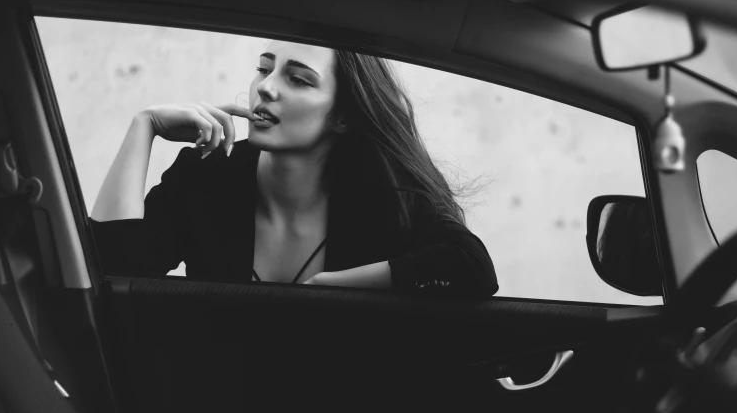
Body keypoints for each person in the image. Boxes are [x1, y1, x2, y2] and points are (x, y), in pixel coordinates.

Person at [90, 40, 498, 298]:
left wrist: (329, 290)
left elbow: (472, 269)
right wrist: (144, 127)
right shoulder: (208, 174)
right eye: (264, 69)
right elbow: (107, 268)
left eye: (299, 79)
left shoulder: (383, 191)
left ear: (342, 117)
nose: (266, 87)